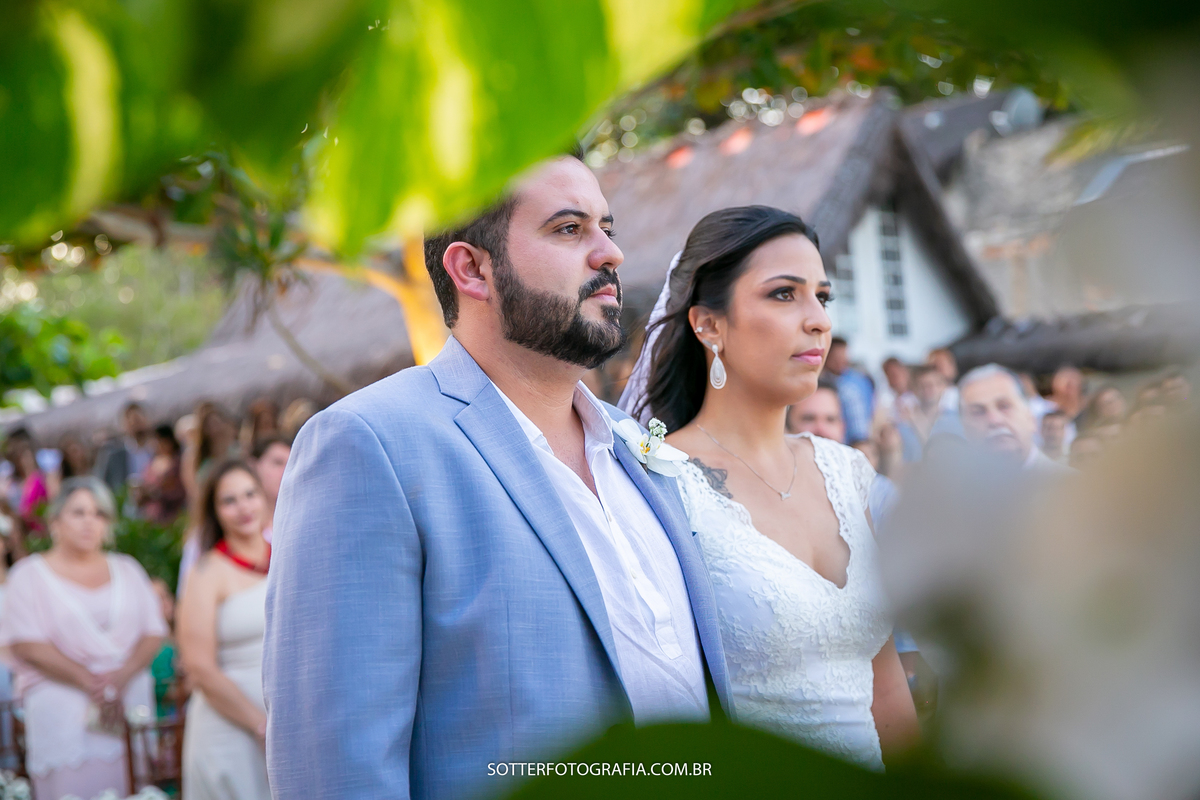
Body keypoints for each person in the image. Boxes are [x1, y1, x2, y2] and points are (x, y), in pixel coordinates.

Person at [264, 154, 733, 800]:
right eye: (569, 229)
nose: (610, 254)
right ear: (472, 269)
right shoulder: (370, 445)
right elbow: (336, 772)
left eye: (607, 227)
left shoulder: (636, 451)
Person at [627, 205, 918, 770]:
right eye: (784, 294)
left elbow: (885, 689)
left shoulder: (845, 471)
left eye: (823, 297)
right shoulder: (657, 479)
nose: (818, 321)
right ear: (708, 324)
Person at [0, 477, 166, 800]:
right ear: (56, 521)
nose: (90, 522)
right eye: (79, 512)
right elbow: (26, 643)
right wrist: (92, 682)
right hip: (63, 715)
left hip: (127, 706)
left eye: (99, 514)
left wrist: (120, 677)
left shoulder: (128, 569)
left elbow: (153, 631)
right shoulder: (28, 576)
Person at [179, 460, 272, 800]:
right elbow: (198, 666)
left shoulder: (288, 557)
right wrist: (260, 726)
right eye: (229, 500)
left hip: (287, 726)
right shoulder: (206, 572)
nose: (243, 507)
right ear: (214, 511)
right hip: (230, 730)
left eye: (250, 494)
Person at [959, 364, 1070, 474]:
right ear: (964, 428)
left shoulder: (1071, 486)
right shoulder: (952, 490)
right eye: (978, 412)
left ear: (1030, 416)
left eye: (1004, 406)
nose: (994, 420)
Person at [93, 402, 157, 496]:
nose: (136, 426)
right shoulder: (114, 456)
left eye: (138, 420)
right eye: (132, 421)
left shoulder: (157, 449)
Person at [822, 337, 874, 444]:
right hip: (839, 443)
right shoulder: (821, 383)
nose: (840, 361)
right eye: (836, 357)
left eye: (843, 356)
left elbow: (873, 407)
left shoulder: (860, 379)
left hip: (864, 440)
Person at [136, 425, 187, 525]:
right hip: (151, 518)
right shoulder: (150, 463)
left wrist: (157, 493)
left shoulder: (178, 463)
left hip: (173, 517)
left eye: (160, 441)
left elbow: (180, 489)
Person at [250, 436, 291, 540]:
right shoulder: (240, 519)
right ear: (253, 465)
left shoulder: (296, 523)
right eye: (278, 463)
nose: (286, 471)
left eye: (291, 465)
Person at [927, 347, 960, 414]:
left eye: (944, 363)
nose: (941, 368)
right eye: (935, 366)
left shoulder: (963, 393)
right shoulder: (923, 400)